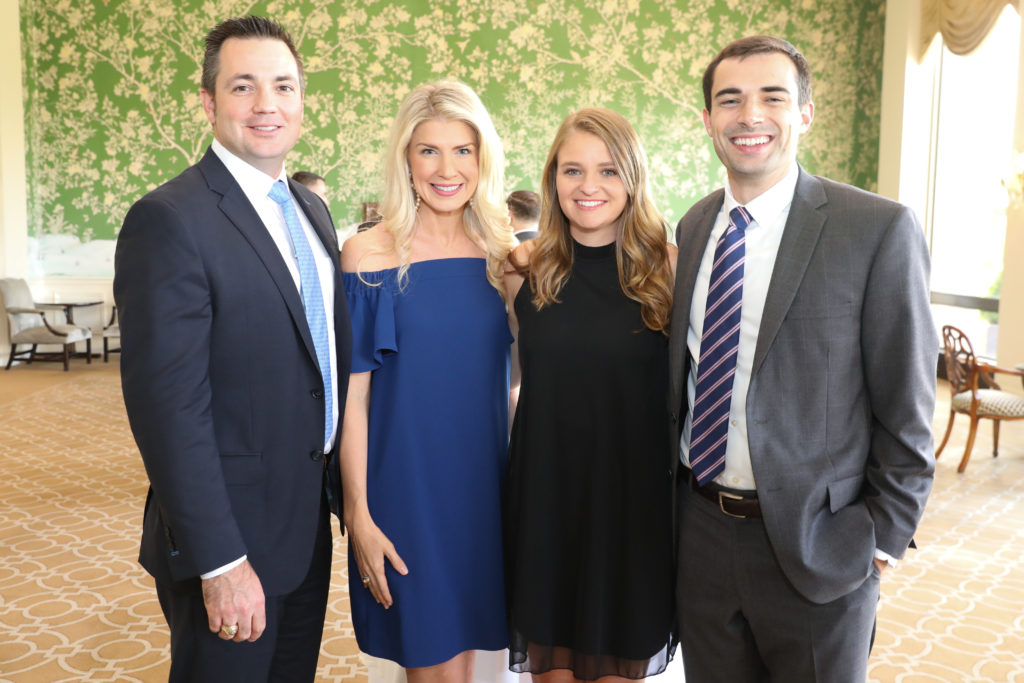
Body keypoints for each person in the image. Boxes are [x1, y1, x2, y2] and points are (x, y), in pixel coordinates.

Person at [668, 35, 936, 682]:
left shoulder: (875, 229)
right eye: (729, 100)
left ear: (805, 113)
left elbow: (909, 410)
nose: (749, 115)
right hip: (700, 538)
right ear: (708, 121)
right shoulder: (694, 226)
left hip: (822, 550)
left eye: (772, 97)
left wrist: (879, 541)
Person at [114, 16, 351, 681]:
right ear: (209, 101)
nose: (267, 104)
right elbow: (168, 410)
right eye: (243, 86)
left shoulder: (311, 209)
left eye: (283, 85)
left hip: (302, 527)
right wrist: (220, 561)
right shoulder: (169, 219)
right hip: (229, 542)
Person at [339, 81, 516, 683]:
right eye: (429, 151)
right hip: (405, 494)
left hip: (488, 491)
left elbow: (528, 381)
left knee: (474, 663)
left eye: (463, 150)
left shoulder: (507, 255)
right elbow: (353, 402)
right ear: (406, 160)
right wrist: (359, 515)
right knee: (431, 665)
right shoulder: (367, 255)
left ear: (483, 158)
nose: (447, 168)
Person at [503, 107, 677, 682]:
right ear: (553, 178)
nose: (589, 186)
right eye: (572, 170)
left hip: (632, 509)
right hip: (547, 500)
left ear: (633, 178)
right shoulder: (526, 270)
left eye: (607, 171)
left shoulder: (668, 270)